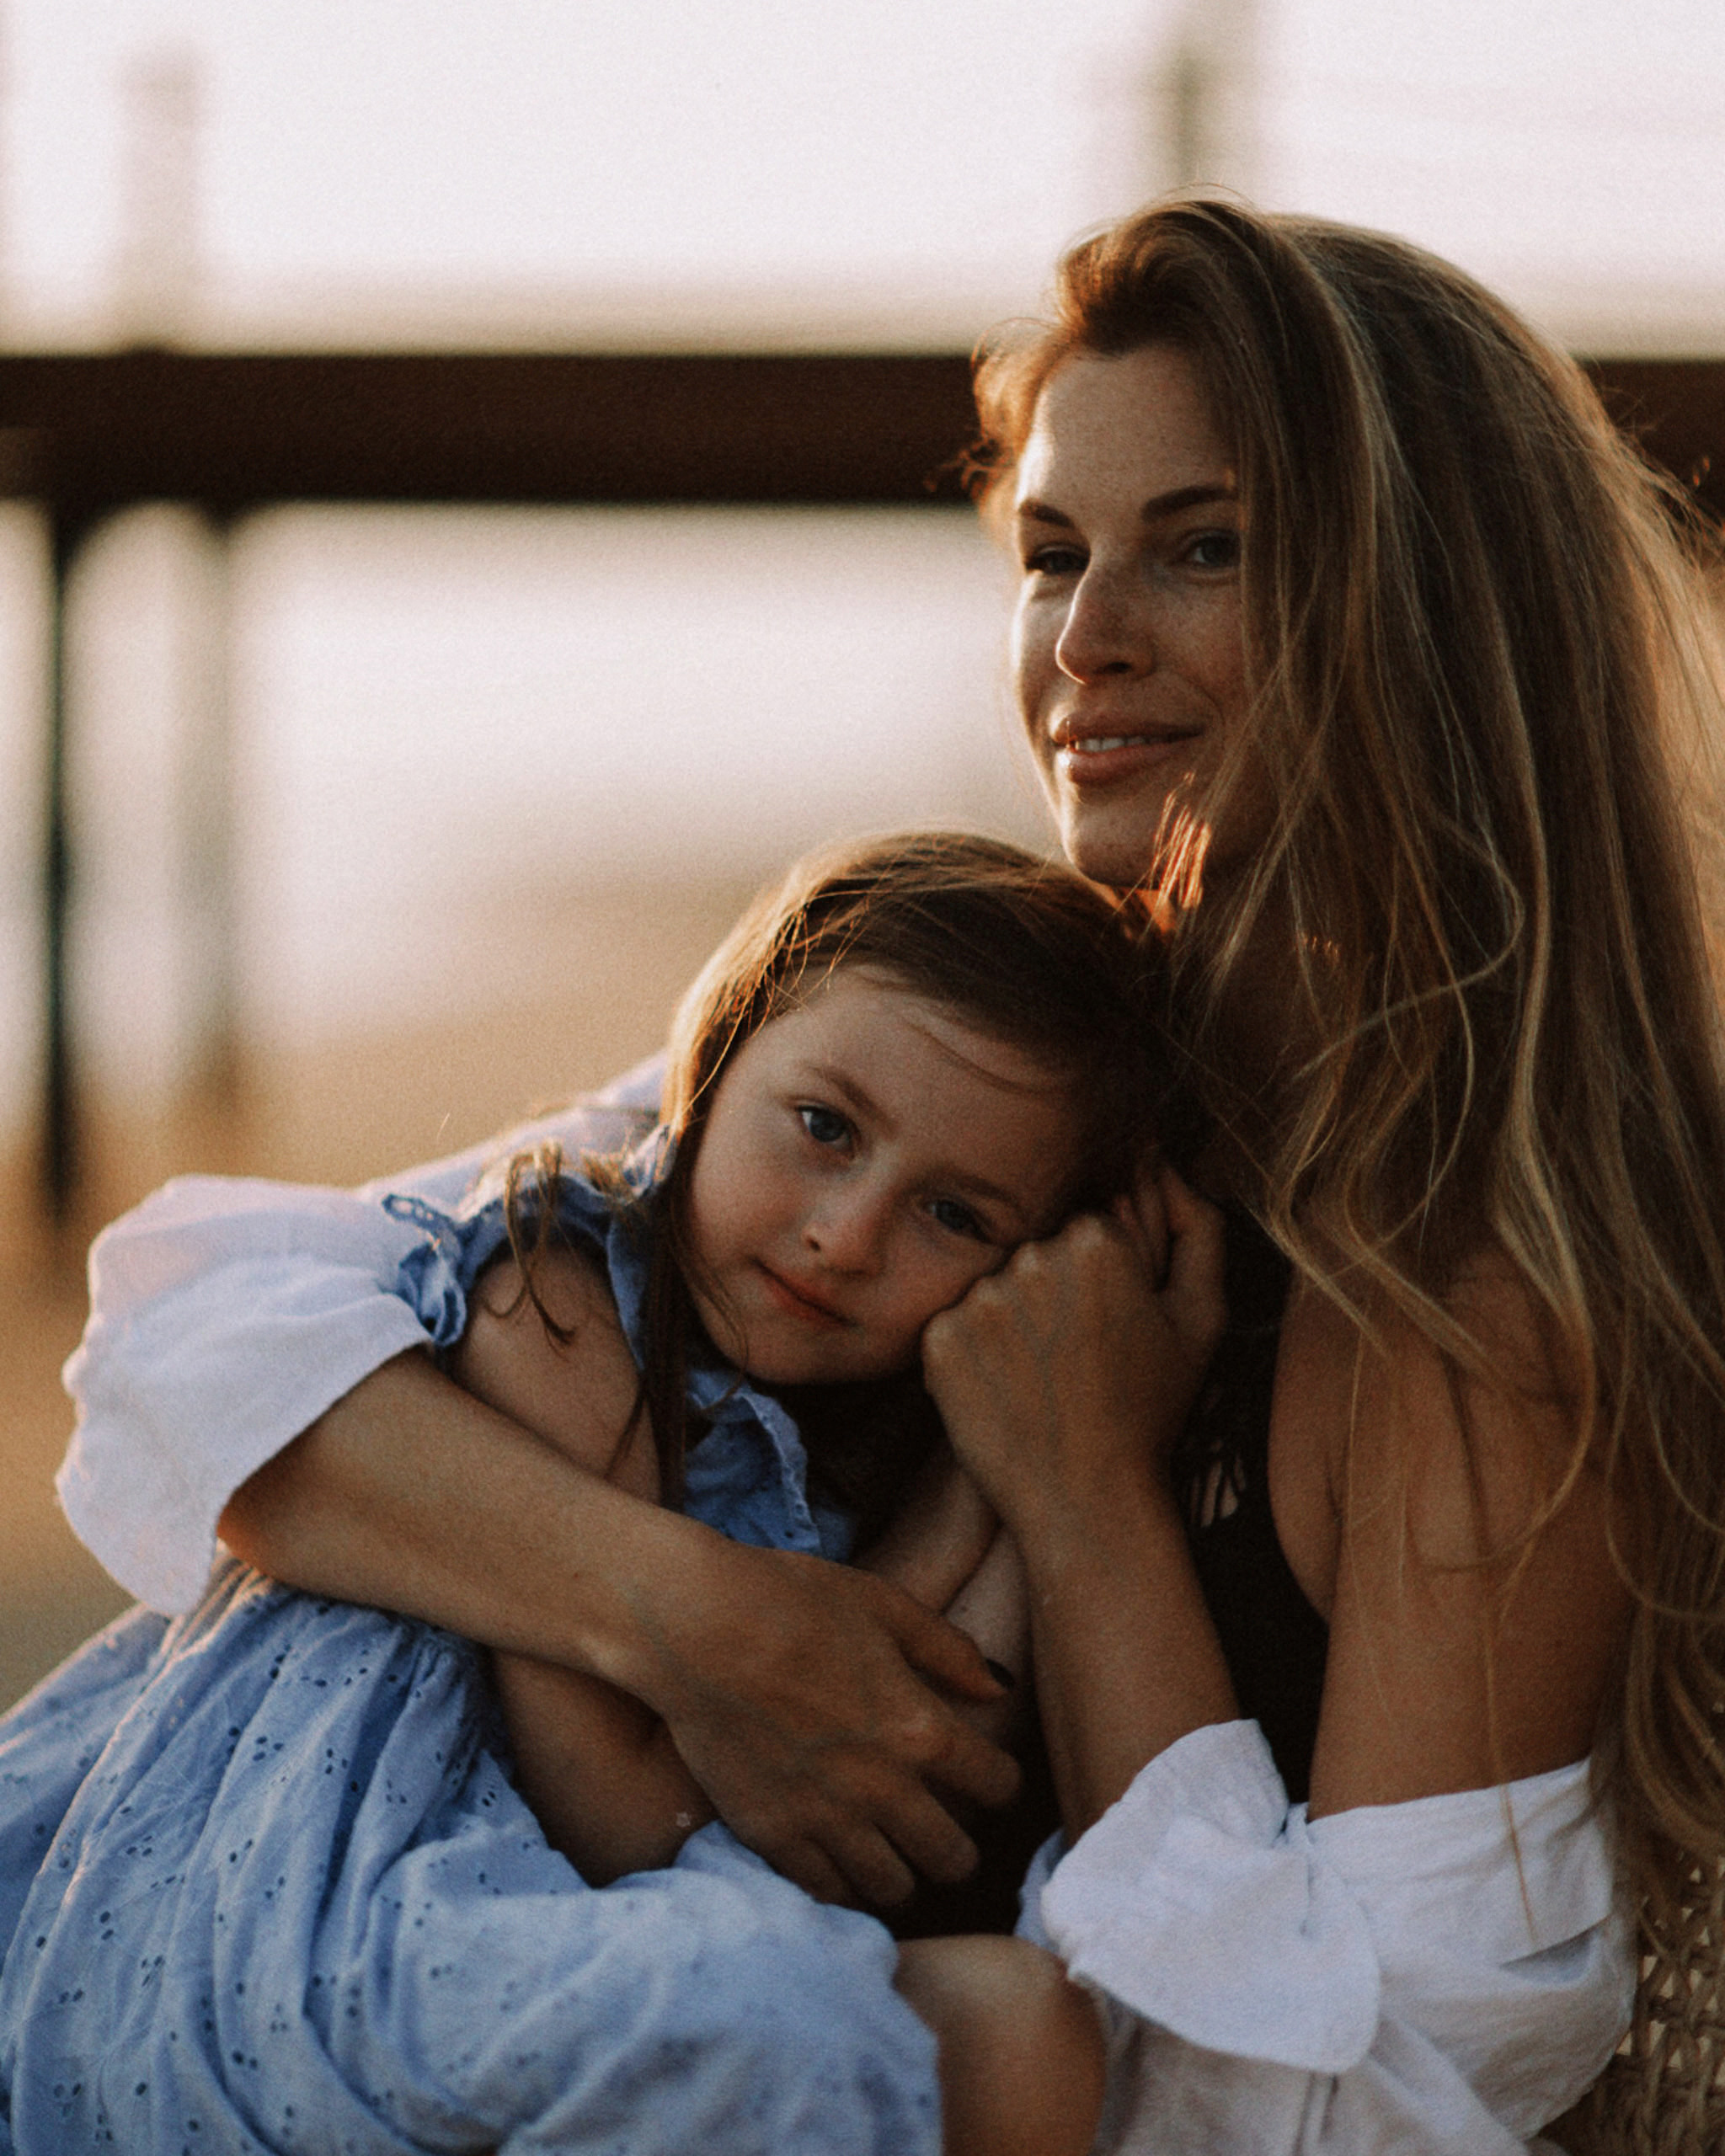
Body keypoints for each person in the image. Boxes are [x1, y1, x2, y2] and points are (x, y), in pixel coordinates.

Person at [35, 197, 1725, 2153]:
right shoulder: (1033, 1065)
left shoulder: (1473, 1302)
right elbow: (195, 1334)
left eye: (1203, 548)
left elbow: (1365, 2116)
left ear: (1431, 606)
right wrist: (698, 1623)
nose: (1085, 640)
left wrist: (1087, 1501)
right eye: (1051, 554)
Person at [2, 830, 1191, 2155]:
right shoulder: (558, 1300)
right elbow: (628, 1815)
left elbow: (896, 1744)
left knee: (963, 2032)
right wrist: (986, 1481)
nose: (845, 1235)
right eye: (822, 1127)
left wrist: (1032, 1454)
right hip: (318, 1899)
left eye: (955, 1218)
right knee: (775, 2021)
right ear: (714, 1058)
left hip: (535, 1886)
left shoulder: (849, 1419)